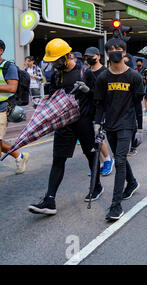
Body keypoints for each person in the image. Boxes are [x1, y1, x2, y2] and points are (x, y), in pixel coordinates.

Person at [28, 39, 103, 215]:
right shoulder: (56, 74)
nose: (54, 64)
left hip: (83, 121)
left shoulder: (86, 72)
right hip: (64, 123)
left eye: (57, 60)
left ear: (67, 56)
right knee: (58, 159)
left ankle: (97, 186)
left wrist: (88, 92)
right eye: (52, 61)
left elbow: (99, 98)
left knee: (90, 155)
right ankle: (50, 200)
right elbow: (54, 97)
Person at [94, 38, 144, 221]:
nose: (115, 51)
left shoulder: (134, 77)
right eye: (111, 49)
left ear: (124, 52)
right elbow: (99, 104)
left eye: (118, 49)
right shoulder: (103, 78)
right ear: (107, 54)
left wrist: (138, 129)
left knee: (120, 160)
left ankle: (115, 206)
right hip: (110, 125)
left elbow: (138, 105)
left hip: (127, 124)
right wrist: (97, 124)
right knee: (119, 157)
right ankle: (131, 182)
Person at [84, 47, 115, 177]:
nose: (89, 59)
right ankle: (100, 163)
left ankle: (108, 159)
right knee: (90, 138)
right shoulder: (86, 72)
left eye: (92, 56)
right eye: (87, 56)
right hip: (88, 108)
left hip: (101, 108)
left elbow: (105, 94)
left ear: (99, 56)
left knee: (98, 136)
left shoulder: (105, 72)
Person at [0, 39, 29, 174]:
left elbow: (12, 88)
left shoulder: (8, 66)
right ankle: (20, 156)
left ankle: (19, 157)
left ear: (1, 51)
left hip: (2, 108)